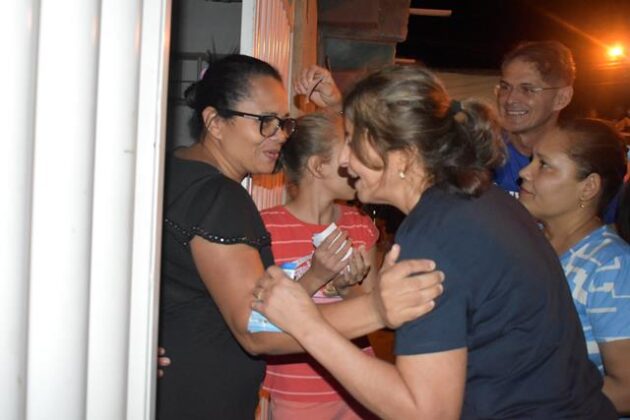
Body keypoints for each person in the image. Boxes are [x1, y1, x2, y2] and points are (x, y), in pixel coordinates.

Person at [253, 64, 617, 419]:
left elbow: (426, 410)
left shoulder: (435, 233)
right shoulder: (475, 199)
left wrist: (307, 326)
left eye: (353, 141)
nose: (345, 161)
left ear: (403, 155)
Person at [156, 55, 444, 419]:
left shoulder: (171, 170)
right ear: (215, 122)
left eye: (283, 123)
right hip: (202, 400)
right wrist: (376, 309)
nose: (279, 135)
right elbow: (254, 329)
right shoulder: (219, 197)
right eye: (265, 122)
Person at [261, 111, 379, 419]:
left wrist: (344, 287)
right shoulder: (267, 229)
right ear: (318, 166)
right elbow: (264, 323)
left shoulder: (360, 225)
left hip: (360, 381)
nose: (358, 162)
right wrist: (316, 276)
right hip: (297, 392)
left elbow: (375, 312)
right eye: (349, 149)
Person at [518, 118, 630, 416]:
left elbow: (626, 390)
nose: (524, 173)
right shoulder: (525, 243)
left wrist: (525, 392)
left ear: (588, 187)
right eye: (531, 160)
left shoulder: (611, 267)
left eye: (544, 165)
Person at [493, 40, 575, 197]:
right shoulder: (477, 154)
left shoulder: (579, 167)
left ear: (562, 98)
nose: (510, 99)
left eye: (528, 89)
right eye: (505, 87)